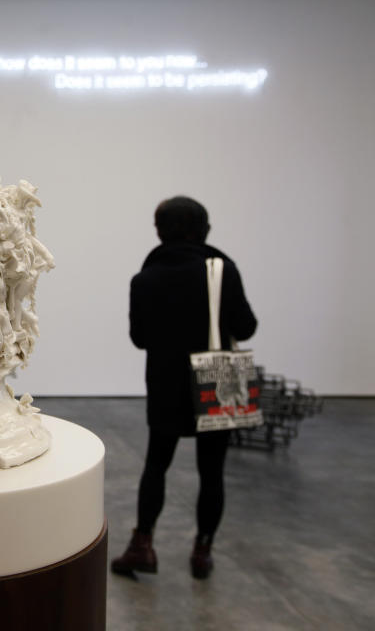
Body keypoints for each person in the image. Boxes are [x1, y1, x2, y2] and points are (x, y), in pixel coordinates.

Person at [112, 196, 257, 580]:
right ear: (203, 229)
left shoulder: (143, 279)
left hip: (165, 383)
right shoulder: (222, 269)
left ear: (159, 231)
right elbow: (246, 327)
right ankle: (202, 552)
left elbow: (139, 338)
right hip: (216, 384)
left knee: (156, 464)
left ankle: (142, 546)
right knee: (213, 472)